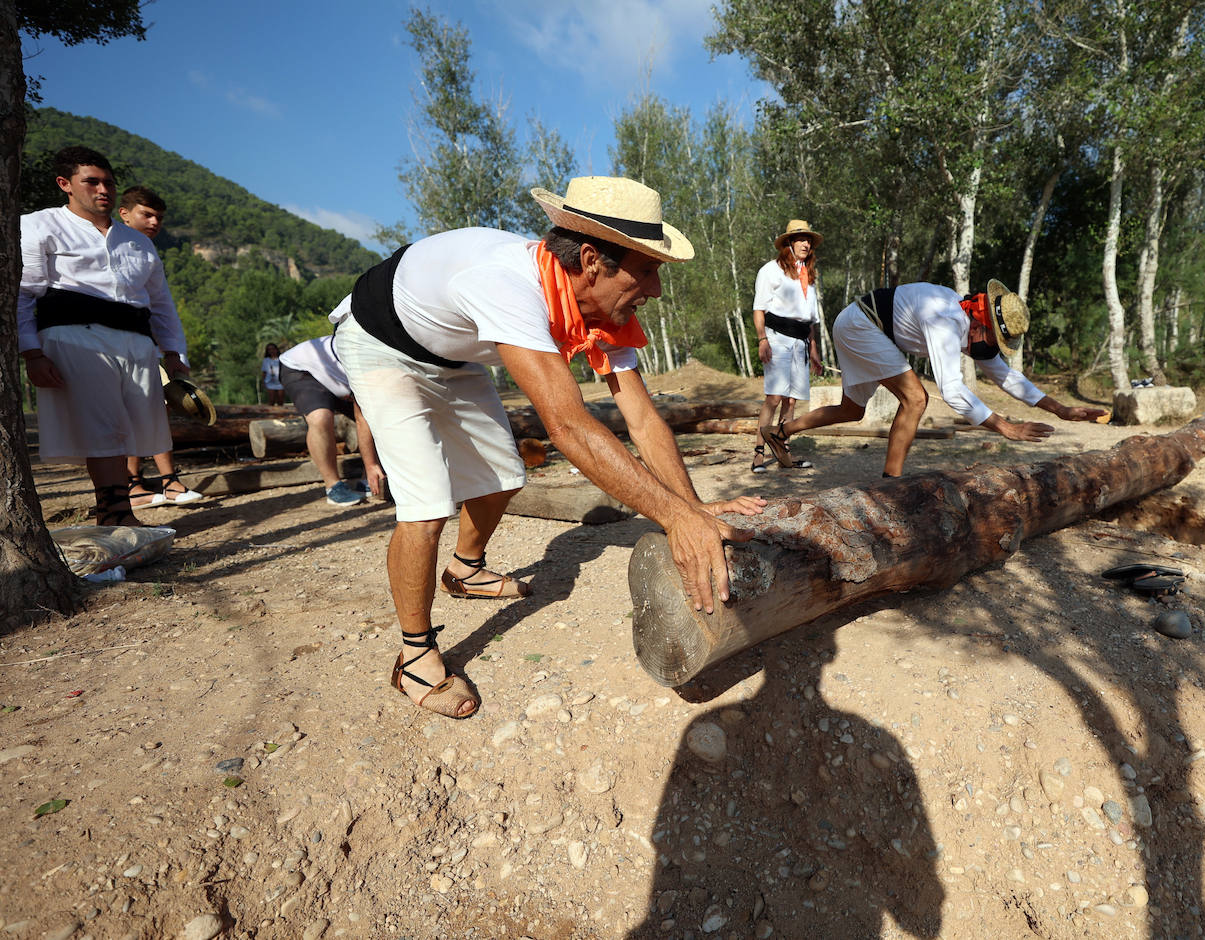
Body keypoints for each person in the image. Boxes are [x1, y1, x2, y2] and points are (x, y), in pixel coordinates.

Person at [330, 176, 764, 719]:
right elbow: (568, 426)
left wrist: (690, 509)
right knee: (427, 504)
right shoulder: (509, 286)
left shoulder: (604, 308)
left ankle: (465, 570)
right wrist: (677, 520)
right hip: (380, 342)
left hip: (453, 354)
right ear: (590, 260)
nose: (655, 288)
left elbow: (642, 416)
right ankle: (414, 656)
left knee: (505, 476)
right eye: (647, 270)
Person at [765, 279, 1106, 477]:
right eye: (996, 341)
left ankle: (780, 432)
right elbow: (953, 390)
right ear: (981, 325)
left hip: (860, 324)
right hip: (860, 325)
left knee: (852, 411)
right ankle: (890, 485)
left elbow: (1007, 377)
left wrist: (1060, 409)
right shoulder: (946, 319)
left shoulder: (973, 328)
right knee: (916, 398)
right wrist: (1006, 427)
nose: (994, 350)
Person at [18, 147, 190, 526]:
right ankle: (114, 515)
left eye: (108, 183)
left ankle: (120, 512)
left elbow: (161, 304)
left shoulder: (138, 241)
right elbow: (24, 294)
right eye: (91, 182)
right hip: (75, 336)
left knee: (132, 429)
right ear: (65, 184)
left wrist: (174, 353)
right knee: (104, 428)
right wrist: (31, 352)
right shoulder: (39, 225)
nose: (103, 190)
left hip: (136, 341)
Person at [116, 185, 203, 508]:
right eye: (146, 214)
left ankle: (168, 482)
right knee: (127, 416)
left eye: (159, 217)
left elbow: (161, 307)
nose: (154, 222)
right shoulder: (106, 244)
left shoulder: (147, 251)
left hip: (144, 347)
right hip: (108, 344)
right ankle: (134, 485)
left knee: (154, 412)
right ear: (124, 213)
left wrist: (173, 352)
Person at [277, 334, 385, 507]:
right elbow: (362, 417)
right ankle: (333, 486)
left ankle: (367, 480)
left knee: (385, 416)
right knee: (320, 417)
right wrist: (371, 463)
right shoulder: (363, 355)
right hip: (304, 368)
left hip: (343, 379)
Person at [751, 219, 823, 473]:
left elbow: (809, 319)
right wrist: (762, 339)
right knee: (774, 397)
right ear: (789, 243)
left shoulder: (809, 276)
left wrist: (814, 350)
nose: (806, 244)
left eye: (809, 240)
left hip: (801, 341)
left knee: (791, 402)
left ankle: (785, 454)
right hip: (777, 337)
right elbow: (759, 309)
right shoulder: (770, 270)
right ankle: (759, 454)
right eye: (801, 239)